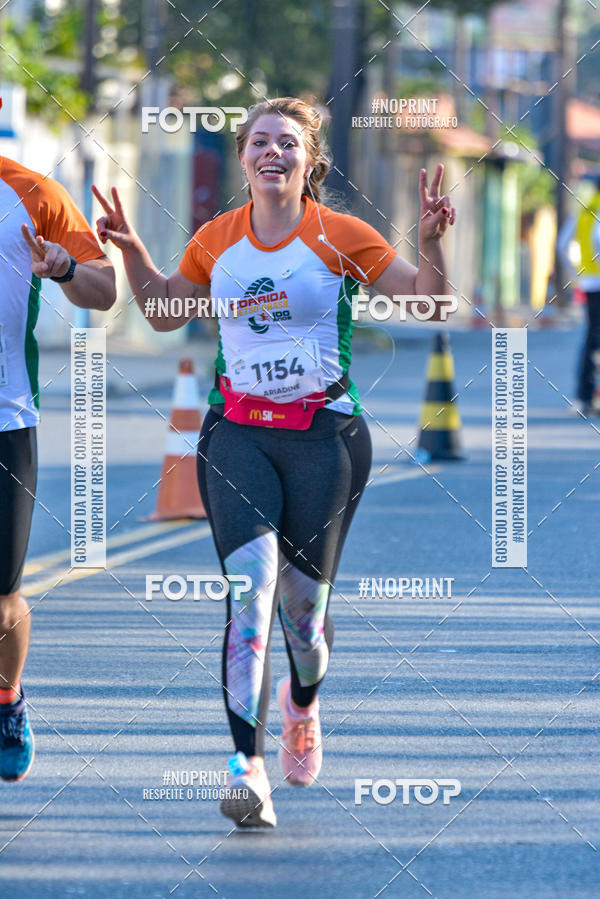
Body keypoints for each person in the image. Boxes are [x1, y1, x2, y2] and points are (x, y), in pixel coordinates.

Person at [92, 96, 455, 829]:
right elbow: (165, 312)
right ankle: (246, 767)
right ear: (243, 158)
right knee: (249, 592)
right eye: (258, 141)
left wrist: (431, 245)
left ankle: (304, 701)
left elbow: (428, 305)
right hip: (238, 434)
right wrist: (131, 251)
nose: (272, 153)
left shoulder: (341, 234)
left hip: (324, 437)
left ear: (308, 160)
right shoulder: (219, 238)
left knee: (303, 620)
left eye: (286, 143)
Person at [0, 148, 116, 782]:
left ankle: (6, 699)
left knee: (1, 601)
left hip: (5, 421)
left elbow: (105, 289)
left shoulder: (32, 192)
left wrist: (65, 267)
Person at [558, 176, 600, 415]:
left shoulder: (584, 210)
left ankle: (584, 396)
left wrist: (578, 275)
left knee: (591, 339)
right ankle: (587, 397)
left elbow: (562, 244)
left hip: (590, 284)